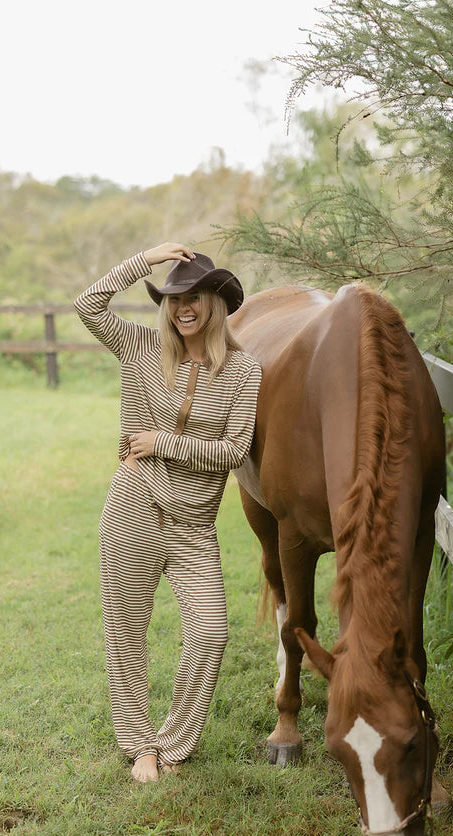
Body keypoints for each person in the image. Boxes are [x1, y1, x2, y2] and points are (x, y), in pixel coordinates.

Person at [74, 242, 262, 783]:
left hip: (193, 524)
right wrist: (146, 259)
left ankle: (175, 742)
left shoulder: (244, 370)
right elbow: (88, 305)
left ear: (215, 302)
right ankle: (140, 746)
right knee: (125, 629)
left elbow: (233, 451)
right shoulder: (139, 348)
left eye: (195, 295)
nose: (183, 306)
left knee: (211, 632)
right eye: (174, 295)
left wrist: (161, 440)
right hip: (133, 505)